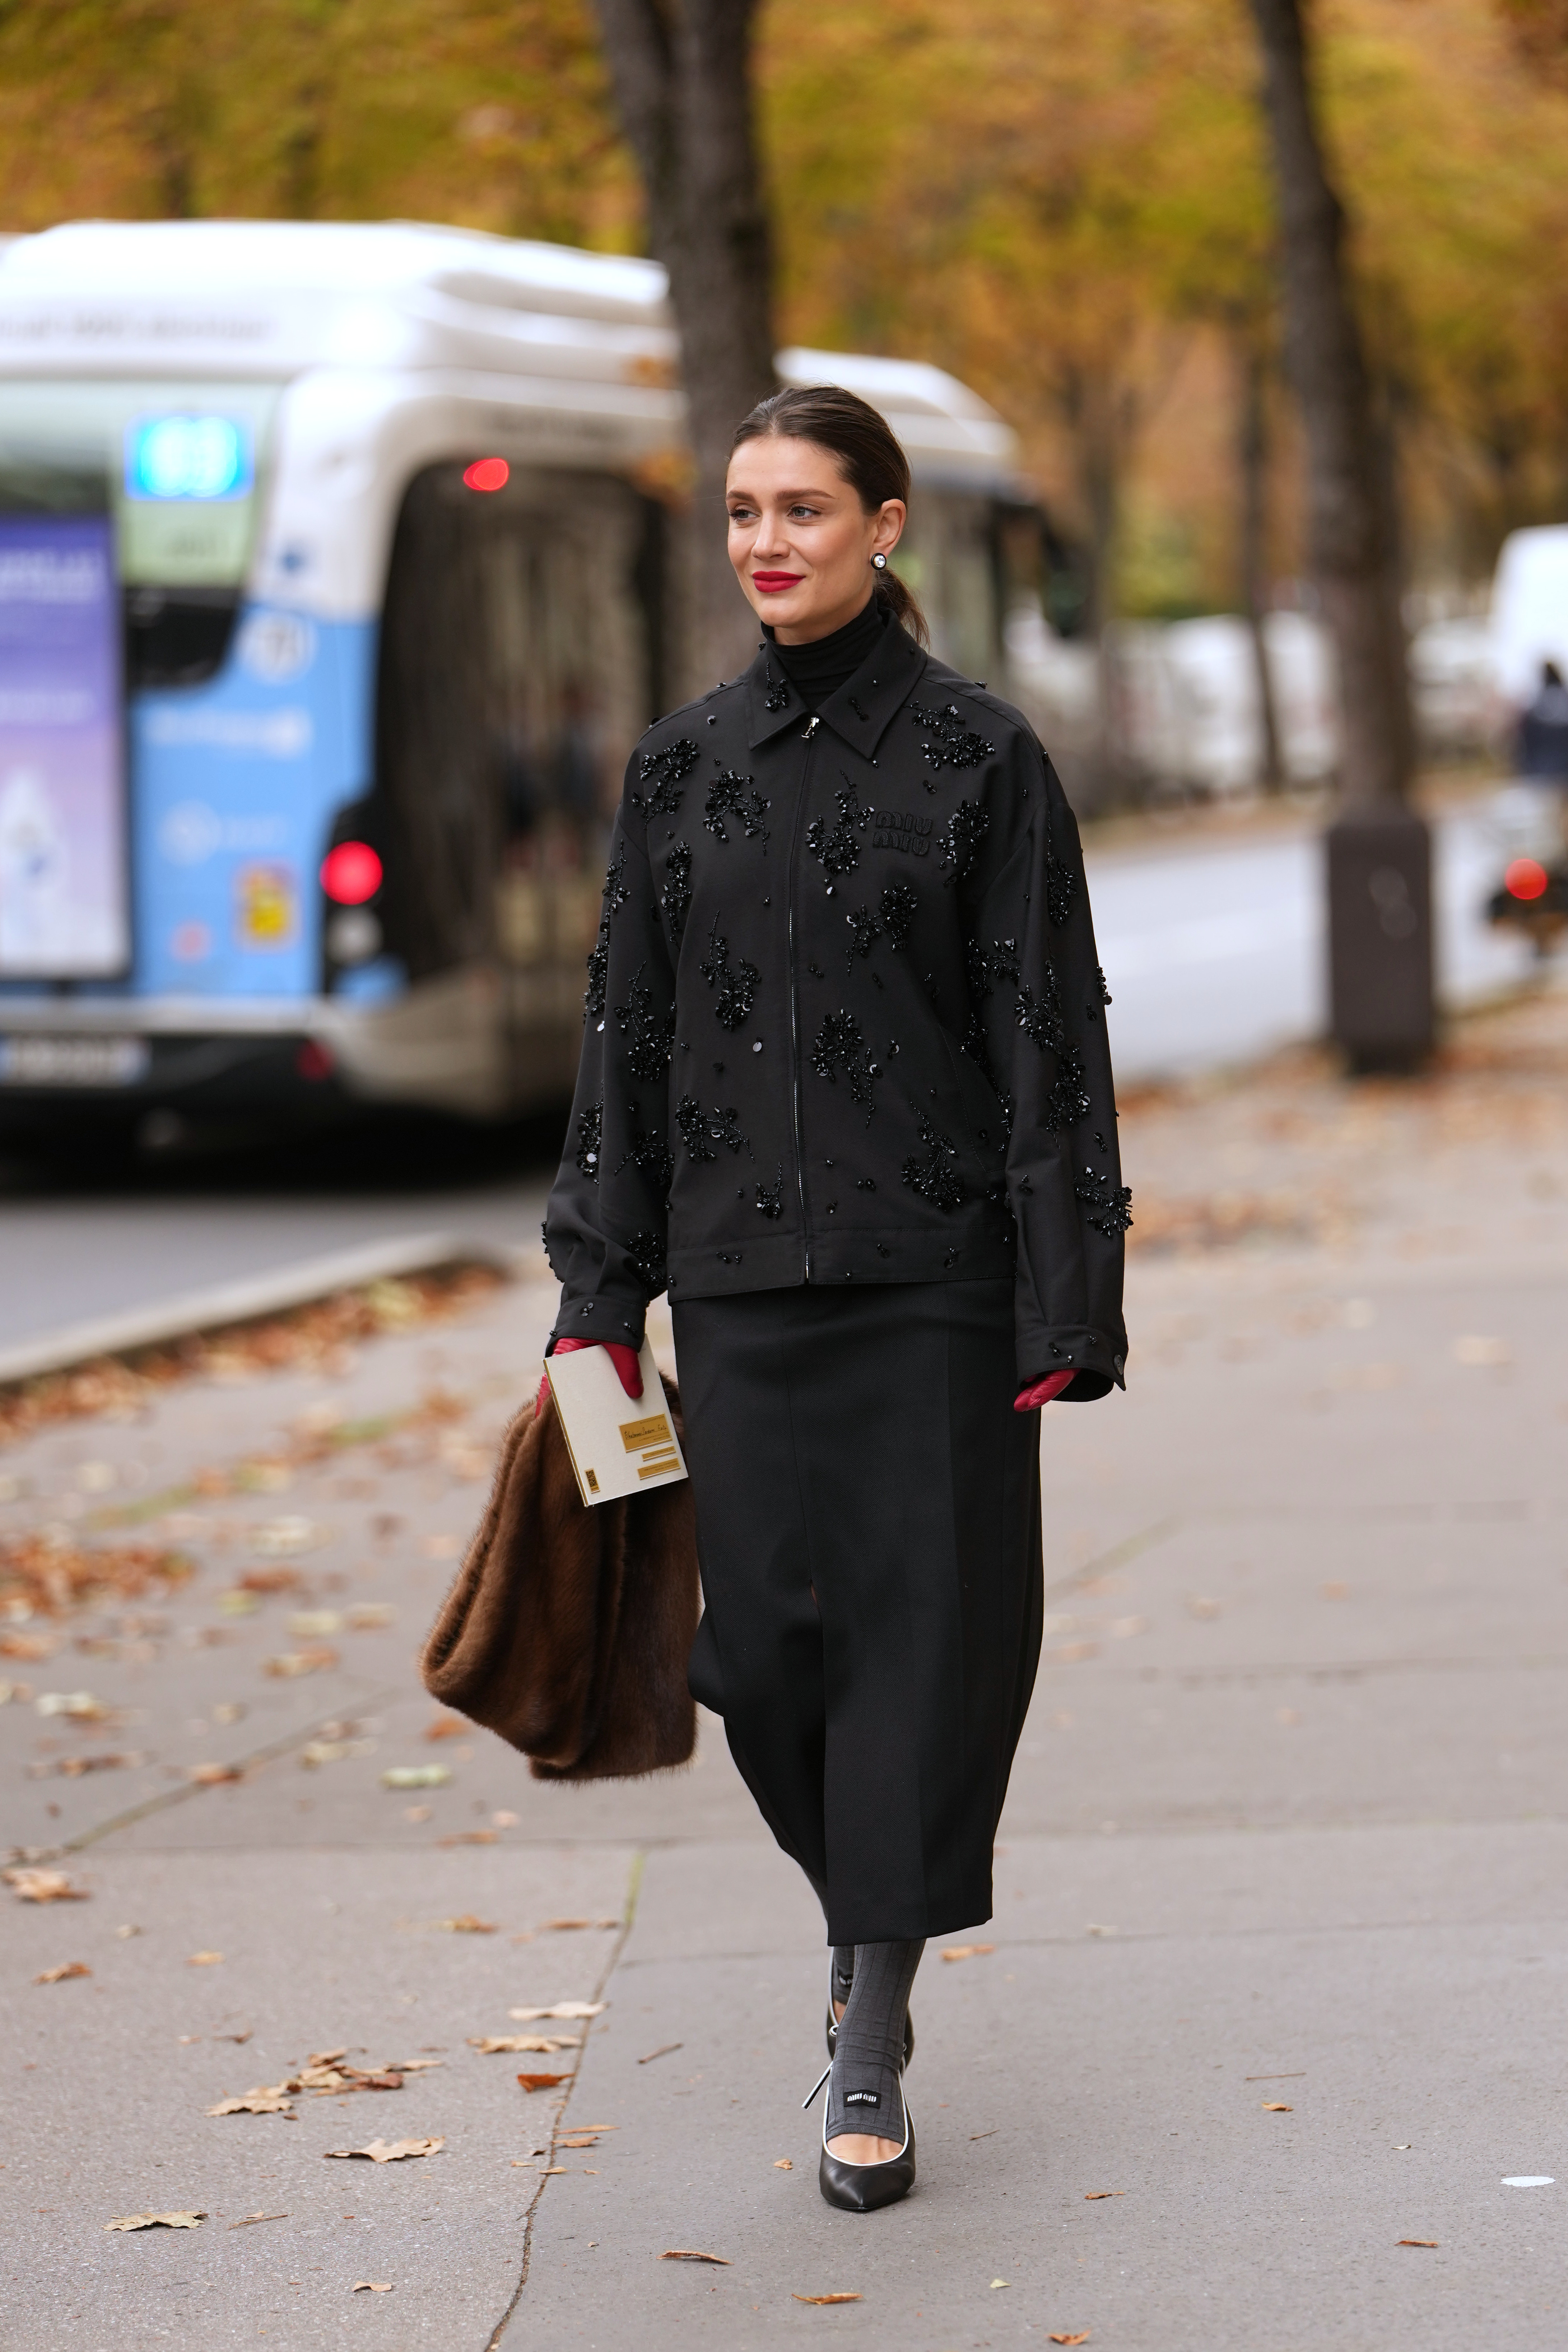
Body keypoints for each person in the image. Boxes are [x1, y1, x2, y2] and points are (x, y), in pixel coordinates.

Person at [541, 384, 1128, 2212]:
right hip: (734, 1286)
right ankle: (863, 1919)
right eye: (740, 511)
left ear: (887, 527)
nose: (766, 542)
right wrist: (596, 1294)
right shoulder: (679, 766)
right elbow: (623, 1041)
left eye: (802, 508)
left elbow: (1049, 1036)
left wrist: (1068, 1302)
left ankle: (869, 2023)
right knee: (761, 1664)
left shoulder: (980, 760)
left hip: (938, 1289)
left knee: (926, 1661)